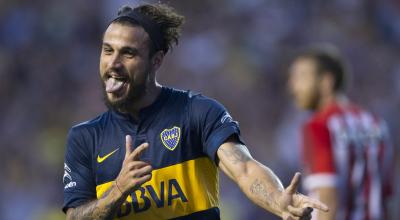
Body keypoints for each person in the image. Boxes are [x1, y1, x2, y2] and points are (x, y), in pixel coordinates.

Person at [62, 3, 328, 219]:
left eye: (128, 54)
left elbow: (244, 168)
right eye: (107, 51)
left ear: (156, 60)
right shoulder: (85, 138)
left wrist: (278, 202)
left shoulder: (196, 112)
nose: (113, 63)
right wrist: (118, 190)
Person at [288, 45, 395, 220]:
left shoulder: (319, 126)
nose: (293, 87)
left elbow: (327, 200)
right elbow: (386, 195)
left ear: (326, 82)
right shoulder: (377, 124)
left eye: (301, 77)